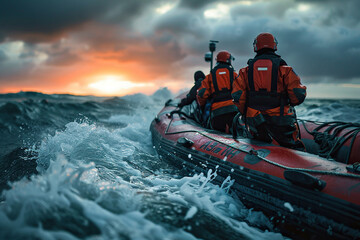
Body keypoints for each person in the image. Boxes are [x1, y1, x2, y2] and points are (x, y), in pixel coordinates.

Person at [232, 32, 306, 150]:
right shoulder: (285, 70)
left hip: (255, 121)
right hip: (280, 119)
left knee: (257, 145)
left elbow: (238, 97)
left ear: (255, 47)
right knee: (294, 148)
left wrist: (247, 113)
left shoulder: (244, 72)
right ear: (274, 46)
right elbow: (298, 95)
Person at [197, 50, 239, 133]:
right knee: (236, 134)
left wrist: (202, 107)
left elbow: (202, 94)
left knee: (218, 135)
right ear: (228, 60)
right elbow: (241, 90)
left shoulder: (210, 76)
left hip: (217, 111)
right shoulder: (234, 74)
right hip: (233, 109)